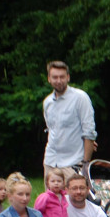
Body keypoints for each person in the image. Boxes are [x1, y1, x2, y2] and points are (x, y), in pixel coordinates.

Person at [42, 60, 97, 190]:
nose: (59, 80)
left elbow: (89, 132)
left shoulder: (80, 98)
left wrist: (85, 164)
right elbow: (52, 130)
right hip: (50, 161)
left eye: (62, 77)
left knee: (73, 205)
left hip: (73, 163)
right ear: (49, 79)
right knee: (50, 204)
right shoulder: (47, 102)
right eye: (55, 77)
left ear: (68, 77)